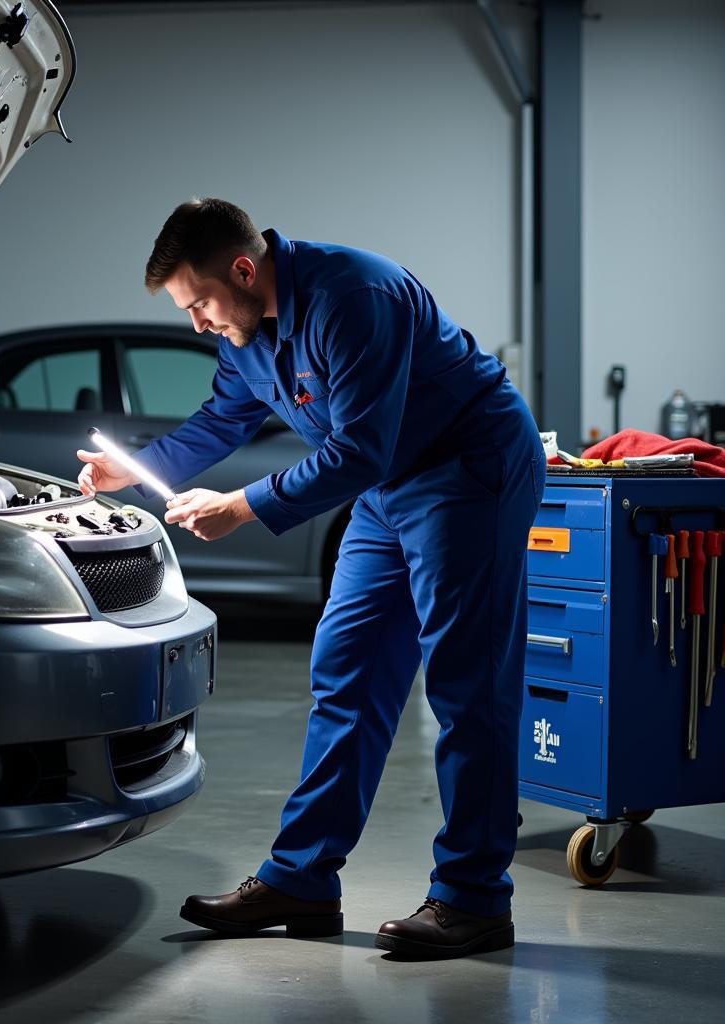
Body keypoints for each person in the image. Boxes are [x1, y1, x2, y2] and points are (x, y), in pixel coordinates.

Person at [77, 198, 545, 960]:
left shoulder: (352, 298)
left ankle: (475, 899)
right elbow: (221, 421)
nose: (197, 323)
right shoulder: (247, 331)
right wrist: (131, 471)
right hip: (388, 490)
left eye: (200, 304)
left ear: (242, 268)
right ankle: (301, 881)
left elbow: (361, 447)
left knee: (468, 684)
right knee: (346, 672)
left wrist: (244, 506)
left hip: (469, 469)